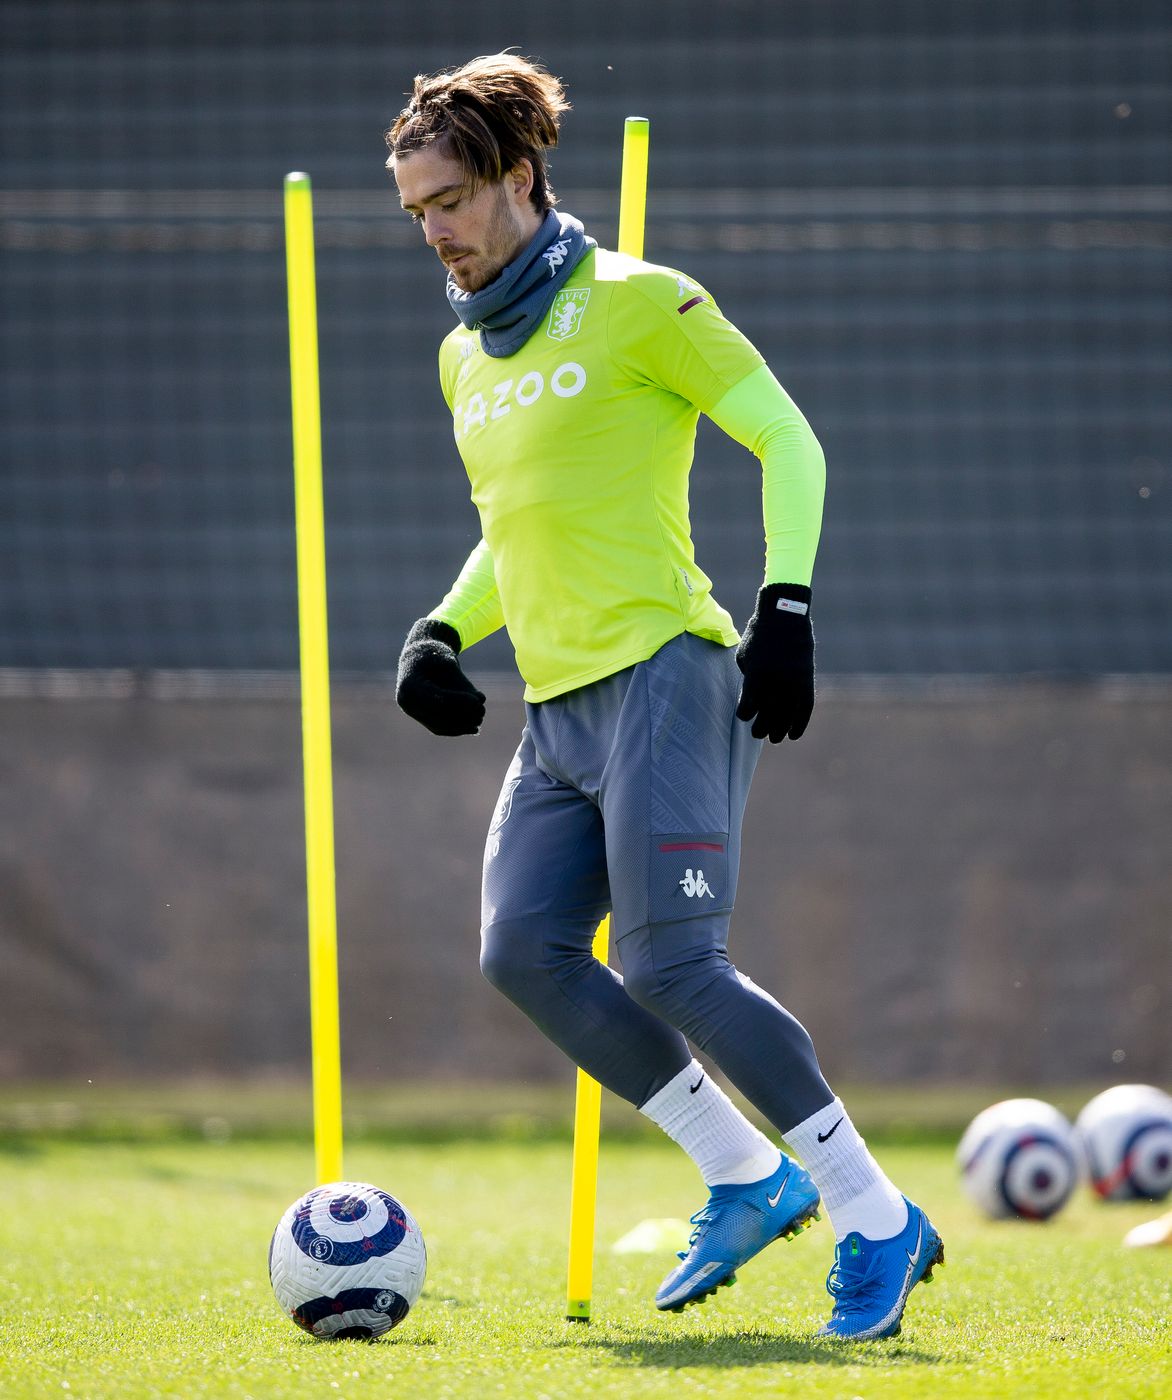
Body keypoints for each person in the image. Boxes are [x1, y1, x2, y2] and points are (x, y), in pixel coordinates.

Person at [386, 53, 943, 1340]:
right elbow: (515, 527)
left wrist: (786, 606)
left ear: (519, 178)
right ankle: (747, 1174)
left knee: (674, 962)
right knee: (519, 950)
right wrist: (441, 627)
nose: (435, 230)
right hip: (557, 704)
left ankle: (872, 1214)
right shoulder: (462, 360)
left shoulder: (644, 302)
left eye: (451, 199)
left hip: (666, 676)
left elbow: (787, 436)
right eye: (415, 209)